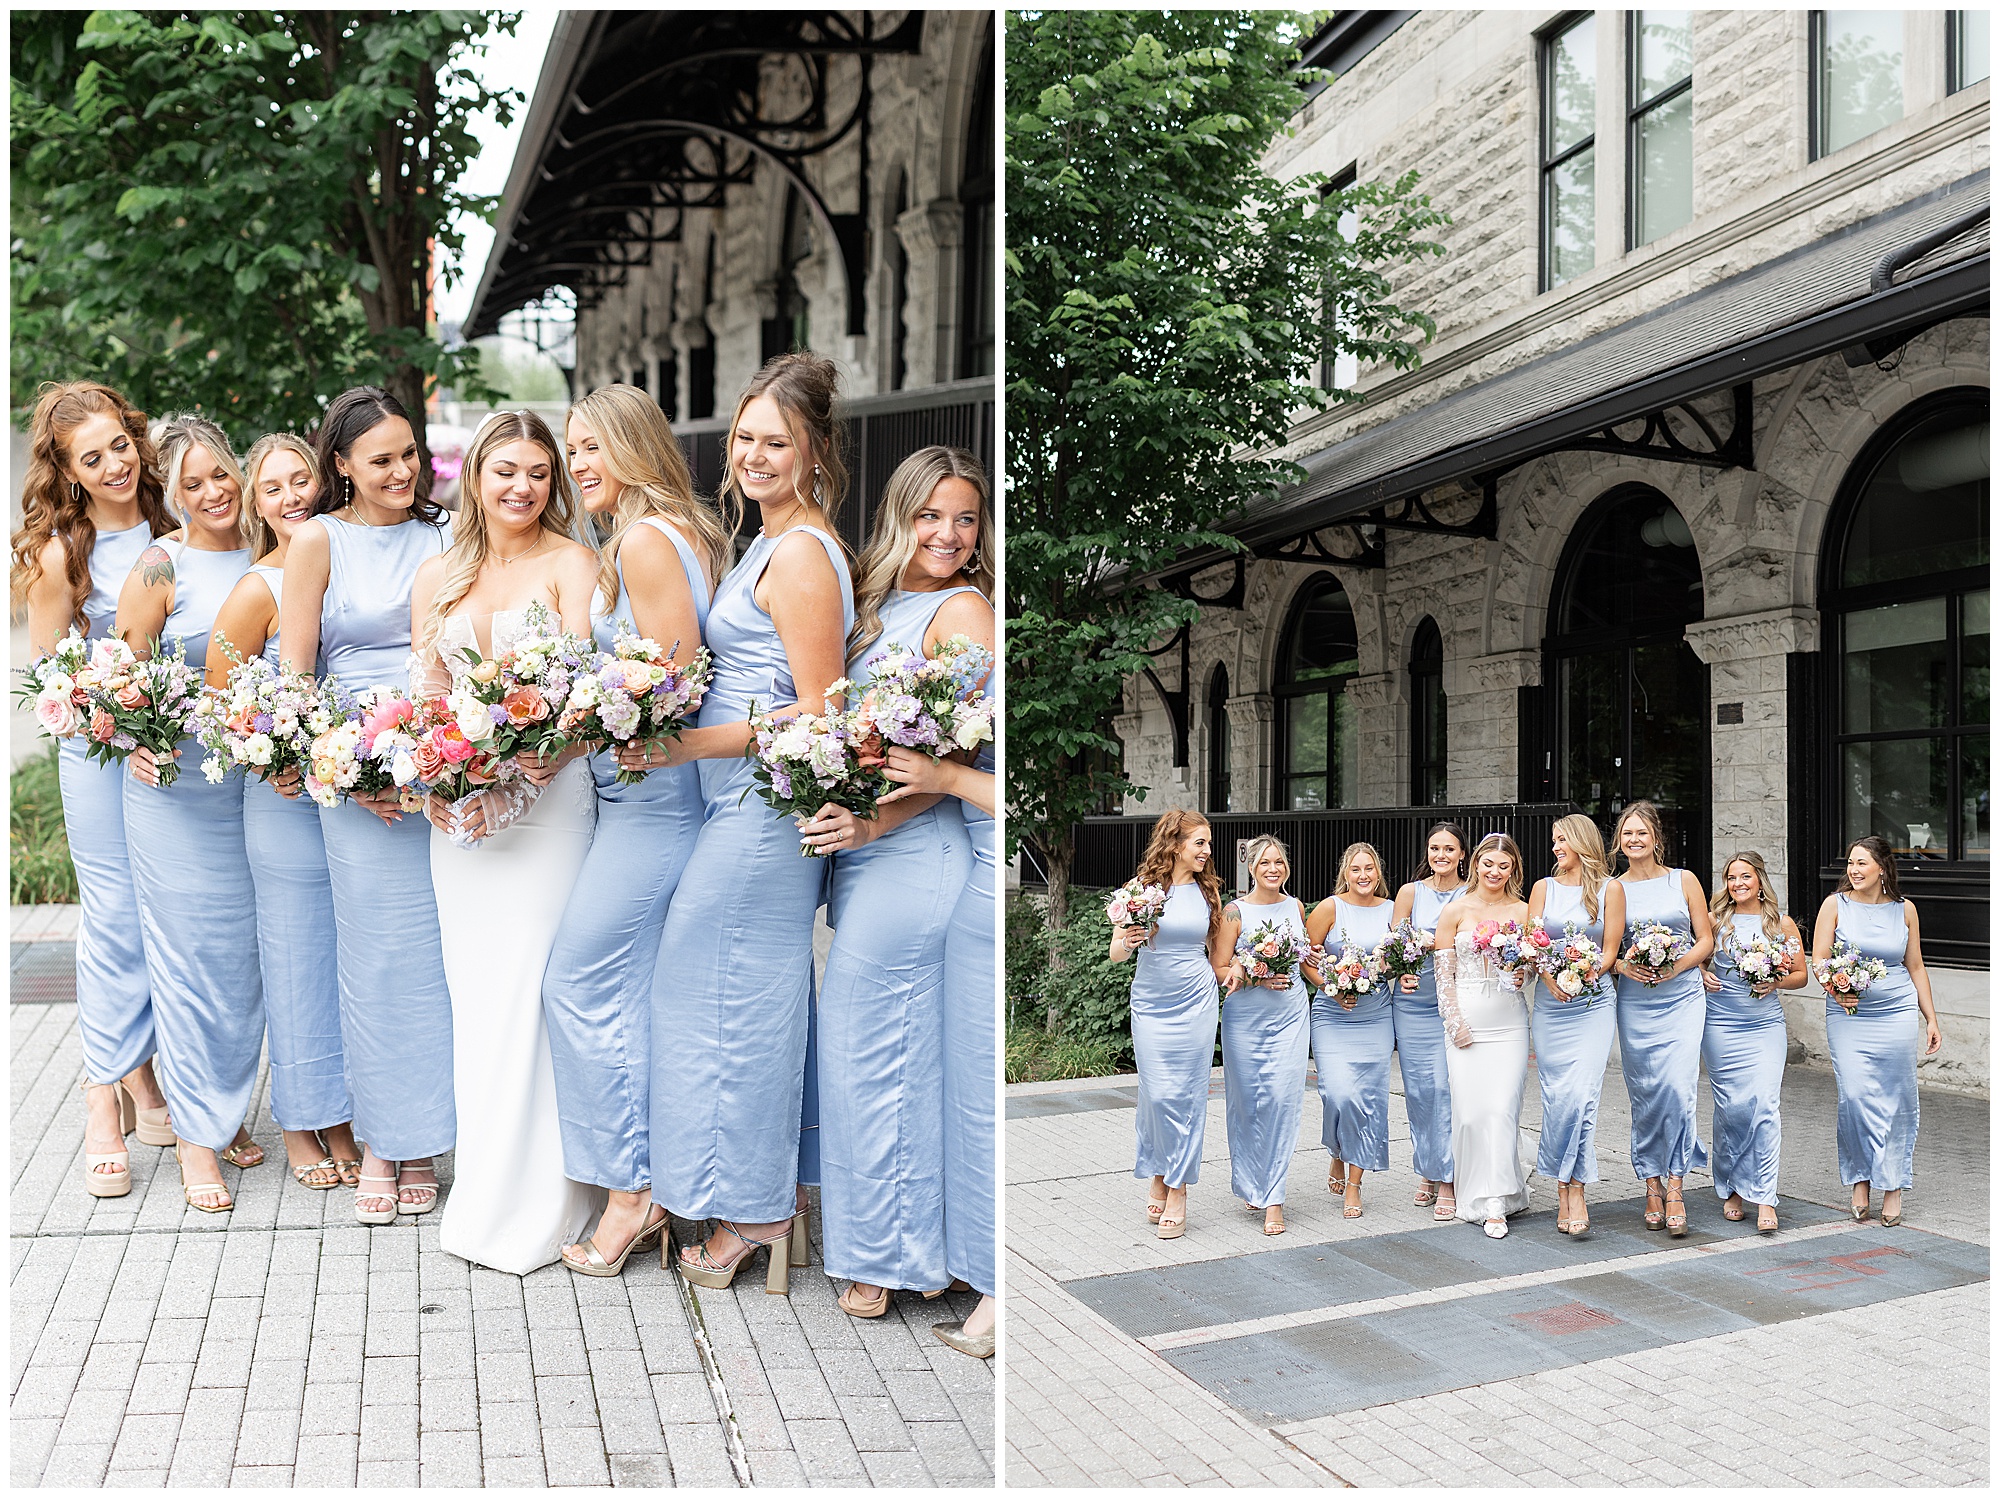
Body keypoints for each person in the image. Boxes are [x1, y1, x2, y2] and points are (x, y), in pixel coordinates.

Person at [649, 353, 854, 1293]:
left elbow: (818, 712)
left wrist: (692, 747)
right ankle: (771, 1193)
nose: (755, 456)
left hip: (767, 811)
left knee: (732, 1002)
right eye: (744, 440)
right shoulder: (769, 543)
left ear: (814, 454)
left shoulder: (805, 553)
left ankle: (755, 1211)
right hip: (738, 801)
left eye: (778, 442)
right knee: (732, 996)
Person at [409, 410, 604, 1275]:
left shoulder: (574, 564)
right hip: (463, 829)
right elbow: (426, 701)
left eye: (536, 471)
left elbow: (591, 699)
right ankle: (486, 1194)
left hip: (553, 808)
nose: (520, 487)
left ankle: (558, 1201)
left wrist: (524, 774)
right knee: (481, 1001)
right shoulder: (441, 575)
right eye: (504, 471)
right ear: (475, 477)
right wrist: (441, 786)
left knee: (538, 994)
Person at [801, 447, 993, 1318]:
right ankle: (923, 1247)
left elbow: (947, 762)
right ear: (900, 514)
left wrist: (871, 822)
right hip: (866, 854)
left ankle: (886, 1257)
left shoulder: (963, 613)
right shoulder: (873, 605)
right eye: (931, 515)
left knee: (870, 1055)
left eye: (965, 518)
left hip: (917, 858)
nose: (948, 534)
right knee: (885, 1056)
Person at [539, 386, 724, 1277]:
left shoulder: (649, 541)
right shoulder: (649, 536)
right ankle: (658, 1180)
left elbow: (678, 685)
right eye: (571, 451)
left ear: (634, 448)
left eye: (591, 448)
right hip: (631, 798)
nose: (578, 466)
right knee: (629, 998)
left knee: (576, 984)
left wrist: (584, 719)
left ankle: (633, 1194)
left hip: (656, 807)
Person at [280, 386, 452, 1226]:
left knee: (437, 961)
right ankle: (389, 1138)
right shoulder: (318, 540)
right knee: (378, 959)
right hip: (353, 780)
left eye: (409, 454)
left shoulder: (447, 536)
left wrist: (446, 756)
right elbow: (297, 680)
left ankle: (429, 1136)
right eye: (380, 458)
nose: (401, 470)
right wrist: (352, 773)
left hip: (445, 768)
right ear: (341, 464)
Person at [10, 381, 176, 1197]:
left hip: (184, 752)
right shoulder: (60, 556)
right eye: (92, 457)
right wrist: (114, 712)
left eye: (120, 445)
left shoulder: (177, 523)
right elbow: (49, 680)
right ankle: (101, 1100)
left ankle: (148, 1078)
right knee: (114, 920)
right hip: (102, 754)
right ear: (68, 473)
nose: (114, 464)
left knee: (169, 918)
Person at [115, 414, 262, 1212]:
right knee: (188, 960)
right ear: (171, 496)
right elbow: (119, 674)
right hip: (174, 794)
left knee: (242, 963)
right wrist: (132, 738)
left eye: (220, 474)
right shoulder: (158, 564)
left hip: (256, 793)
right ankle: (195, 1141)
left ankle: (225, 1108)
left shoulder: (273, 552)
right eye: (192, 483)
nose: (213, 492)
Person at [206, 433, 360, 1191]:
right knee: (298, 961)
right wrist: (278, 759)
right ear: (256, 506)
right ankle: (302, 1123)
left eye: (302, 479)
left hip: (357, 797)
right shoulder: (256, 590)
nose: (293, 495)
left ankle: (341, 1114)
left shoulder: (344, 566)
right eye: (273, 488)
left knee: (342, 961)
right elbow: (220, 705)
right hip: (284, 803)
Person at [879, 728, 997, 1357]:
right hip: (976, 885)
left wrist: (946, 777)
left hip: (985, 879)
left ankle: (997, 1294)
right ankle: (971, 1264)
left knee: (979, 1100)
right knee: (970, 1095)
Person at [1108, 808, 1229, 1240]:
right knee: (1156, 1094)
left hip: (1196, 998)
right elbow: (1116, 953)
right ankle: (1159, 1170)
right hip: (1151, 1001)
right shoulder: (1139, 891)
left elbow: (1218, 958)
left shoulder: (1208, 892)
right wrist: (1128, 938)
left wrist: (1243, 972)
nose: (1207, 851)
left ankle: (1176, 1188)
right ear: (1175, 844)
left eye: (1208, 843)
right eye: (1200, 843)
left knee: (1186, 1095)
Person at [1812, 834, 1942, 1227]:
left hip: (1897, 1012)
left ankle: (1893, 1186)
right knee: (1854, 1097)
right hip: (1849, 1014)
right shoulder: (1834, 905)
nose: (1853, 870)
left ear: (1882, 868)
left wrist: (1931, 1017)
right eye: (1850, 863)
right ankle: (1859, 1179)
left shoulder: (1905, 910)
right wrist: (1836, 990)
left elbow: (1915, 965)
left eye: (1861, 863)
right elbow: (1819, 959)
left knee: (1896, 1098)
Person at [1612, 800, 1715, 1238]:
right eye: (1627, 834)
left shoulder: (1684, 880)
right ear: (1619, 840)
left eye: (1642, 833)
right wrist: (1622, 965)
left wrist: (1678, 966)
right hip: (1636, 1001)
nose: (1635, 840)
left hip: (1683, 998)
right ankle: (1650, 1183)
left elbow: (1706, 938)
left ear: (1657, 838)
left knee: (1678, 1089)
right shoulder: (1610, 888)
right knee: (1646, 1093)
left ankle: (1676, 1184)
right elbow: (1607, 950)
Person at [1523, 813, 1625, 1239]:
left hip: (1593, 1004)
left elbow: (1609, 951)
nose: (1554, 847)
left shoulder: (1611, 889)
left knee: (1583, 1097)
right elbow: (1531, 943)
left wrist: (1581, 975)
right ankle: (1562, 1185)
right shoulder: (1542, 889)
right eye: (1553, 841)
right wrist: (1552, 977)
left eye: (1560, 840)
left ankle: (1576, 1189)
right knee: (1557, 1097)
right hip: (1551, 1006)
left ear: (1581, 842)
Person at [1432, 833, 1533, 1238]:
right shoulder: (1455, 911)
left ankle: (1497, 1201)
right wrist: (1454, 1022)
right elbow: (1444, 976)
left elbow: (1530, 971)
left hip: (1509, 1022)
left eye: (1503, 866)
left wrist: (1520, 973)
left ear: (1513, 870)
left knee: (1502, 1108)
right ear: (1475, 865)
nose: (1495, 872)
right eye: (1488, 864)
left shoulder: (1524, 911)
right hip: (1467, 1020)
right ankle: (1472, 1191)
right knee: (1472, 1114)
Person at [1702, 851, 1806, 1235]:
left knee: (1764, 1104)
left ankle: (1764, 1195)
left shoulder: (1781, 925)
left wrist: (1775, 981)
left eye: (1745, 876)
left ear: (1760, 880)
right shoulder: (1715, 922)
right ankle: (1732, 1187)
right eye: (1731, 878)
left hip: (1764, 1026)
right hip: (1721, 1024)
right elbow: (1692, 955)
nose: (1738, 884)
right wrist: (1701, 973)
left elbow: (1800, 975)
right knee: (1731, 1109)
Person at [1217, 836, 1312, 1237]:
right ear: (1252, 868)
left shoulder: (1296, 907)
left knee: (1281, 1100)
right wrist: (1255, 972)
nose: (1273, 869)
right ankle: (1250, 1180)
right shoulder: (1234, 912)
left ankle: (1274, 1197)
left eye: (1279, 862)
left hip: (1290, 1015)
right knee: (1246, 1103)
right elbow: (1220, 969)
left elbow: (1305, 958)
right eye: (1265, 863)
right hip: (1244, 1019)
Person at [1305, 842, 1396, 1220]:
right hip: (1331, 1015)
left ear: (1378, 873)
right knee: (1338, 1093)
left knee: (1368, 1097)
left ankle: (1355, 1181)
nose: (1363, 876)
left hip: (1375, 1014)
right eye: (1356, 869)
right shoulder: (1330, 907)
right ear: (1346, 872)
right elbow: (1305, 961)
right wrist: (1332, 986)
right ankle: (1337, 1150)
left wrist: (1382, 971)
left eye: (1370, 869)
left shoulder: (1393, 910)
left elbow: (1397, 960)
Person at [1388, 822, 1468, 1220]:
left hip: (1456, 1004)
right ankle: (1428, 1169)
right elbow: (1394, 947)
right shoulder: (1409, 893)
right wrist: (1399, 969)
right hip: (1413, 1003)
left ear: (1461, 855)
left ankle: (1449, 1178)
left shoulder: (1472, 893)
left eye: (1449, 849)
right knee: (1420, 1092)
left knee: (1445, 1088)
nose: (1441, 855)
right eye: (1435, 848)